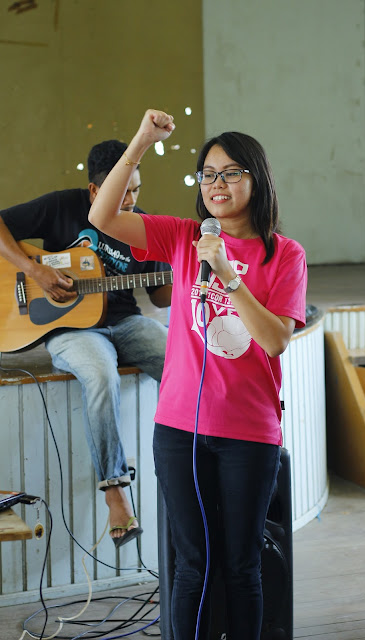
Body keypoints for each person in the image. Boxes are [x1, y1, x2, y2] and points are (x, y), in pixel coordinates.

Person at [88, 110, 307, 639]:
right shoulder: (183, 236)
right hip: (179, 429)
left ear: (257, 178)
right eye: (208, 174)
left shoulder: (284, 255)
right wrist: (141, 142)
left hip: (248, 434)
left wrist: (229, 274)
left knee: (242, 565)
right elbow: (103, 215)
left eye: (230, 172)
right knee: (192, 565)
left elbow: (275, 339)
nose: (216, 184)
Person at [0, 139, 172, 548]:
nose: (130, 201)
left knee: (183, 360)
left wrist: (186, 275)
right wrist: (34, 271)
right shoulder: (62, 206)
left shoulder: (143, 226)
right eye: (121, 191)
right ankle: (116, 492)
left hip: (126, 322)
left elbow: (161, 297)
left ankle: (199, 460)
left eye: (136, 189)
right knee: (99, 374)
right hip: (72, 330)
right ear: (95, 191)